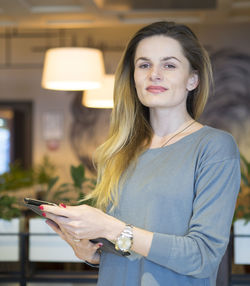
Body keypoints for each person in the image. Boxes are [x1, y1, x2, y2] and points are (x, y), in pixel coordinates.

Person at [40, 21, 241, 286]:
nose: (154, 74)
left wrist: (110, 227)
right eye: (144, 65)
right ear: (133, 76)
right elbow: (122, 247)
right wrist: (90, 252)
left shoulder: (214, 147)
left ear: (193, 79)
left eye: (169, 65)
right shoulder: (116, 152)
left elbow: (202, 257)